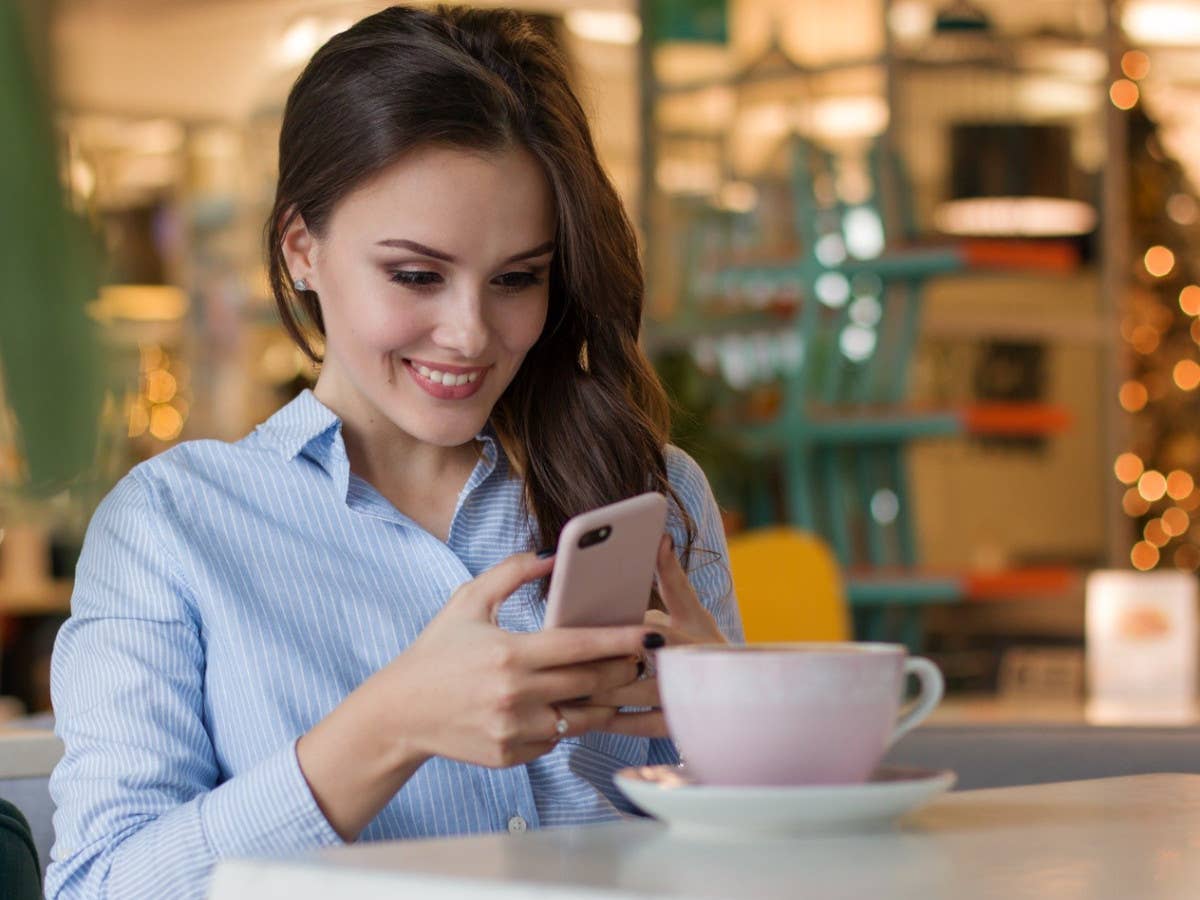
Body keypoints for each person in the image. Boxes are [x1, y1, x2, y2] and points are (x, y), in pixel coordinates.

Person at [45, 6, 741, 899]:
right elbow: (98, 886)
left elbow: (751, 860)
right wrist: (387, 727)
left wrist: (740, 724)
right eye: (416, 275)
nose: (469, 333)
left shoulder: (647, 492)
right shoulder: (170, 526)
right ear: (302, 248)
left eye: (517, 279)